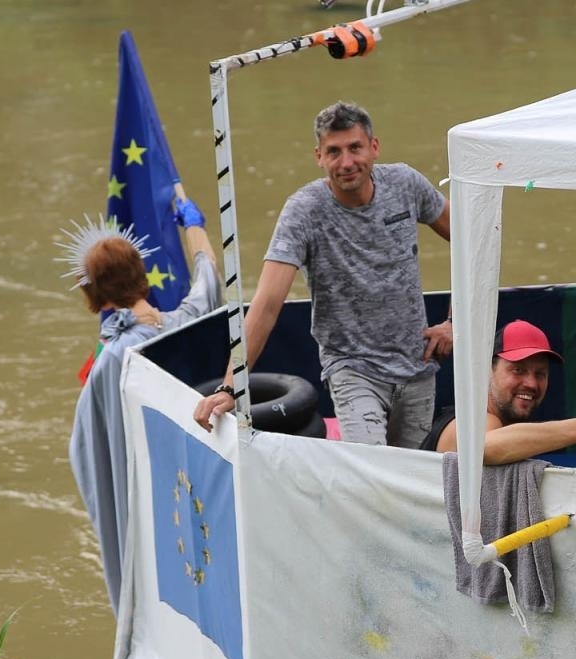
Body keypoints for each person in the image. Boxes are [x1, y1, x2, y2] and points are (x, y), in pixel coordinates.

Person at [192, 102, 451, 447]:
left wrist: (455, 322)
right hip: (353, 369)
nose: (346, 163)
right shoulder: (304, 211)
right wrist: (230, 386)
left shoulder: (405, 184)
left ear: (374, 147)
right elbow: (268, 303)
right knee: (371, 470)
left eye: (355, 148)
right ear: (319, 156)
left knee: (411, 476)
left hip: (418, 365)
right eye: (334, 152)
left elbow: (471, 237)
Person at [66, 194, 221, 611]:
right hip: (195, 489)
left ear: (95, 295)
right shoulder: (188, 322)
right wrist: (192, 223)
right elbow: (207, 276)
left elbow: (85, 450)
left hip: (143, 500)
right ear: (143, 274)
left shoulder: (115, 358)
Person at [432, 319, 576, 464]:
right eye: (518, 370)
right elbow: (484, 448)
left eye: (540, 374)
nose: (531, 383)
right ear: (487, 371)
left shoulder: (505, 426)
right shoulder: (467, 421)